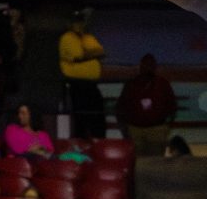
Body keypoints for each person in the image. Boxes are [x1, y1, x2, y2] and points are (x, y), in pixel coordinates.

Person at [116, 52, 178, 156]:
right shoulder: (131, 84)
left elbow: (172, 106)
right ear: (140, 66)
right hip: (135, 130)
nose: (148, 67)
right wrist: (125, 130)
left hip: (157, 129)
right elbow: (121, 107)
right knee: (137, 162)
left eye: (151, 65)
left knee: (156, 163)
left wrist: (166, 128)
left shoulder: (163, 84)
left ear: (155, 67)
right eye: (145, 65)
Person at [58, 9, 106, 138]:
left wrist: (88, 53)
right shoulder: (67, 38)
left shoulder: (88, 37)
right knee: (81, 117)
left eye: (80, 21)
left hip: (91, 85)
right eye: (75, 22)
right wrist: (90, 53)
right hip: (76, 85)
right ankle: (81, 144)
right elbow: (78, 56)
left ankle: (99, 142)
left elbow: (101, 52)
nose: (78, 24)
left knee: (97, 115)